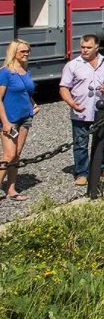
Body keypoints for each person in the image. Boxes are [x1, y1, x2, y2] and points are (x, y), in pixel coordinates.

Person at [59, 35, 104, 186]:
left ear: (97, 48)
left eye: (88, 47)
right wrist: (71, 103)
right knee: (81, 144)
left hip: (103, 112)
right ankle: (82, 173)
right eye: (82, 47)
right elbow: (63, 88)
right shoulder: (72, 65)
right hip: (81, 111)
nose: (85, 50)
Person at [0, 40, 39, 200]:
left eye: (28, 51)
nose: (26, 54)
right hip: (10, 119)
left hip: (25, 118)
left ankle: (11, 189)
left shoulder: (25, 71)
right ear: (13, 53)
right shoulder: (5, 72)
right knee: (8, 155)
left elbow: (26, 92)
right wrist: (6, 122)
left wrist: (34, 105)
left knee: (16, 154)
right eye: (22, 51)